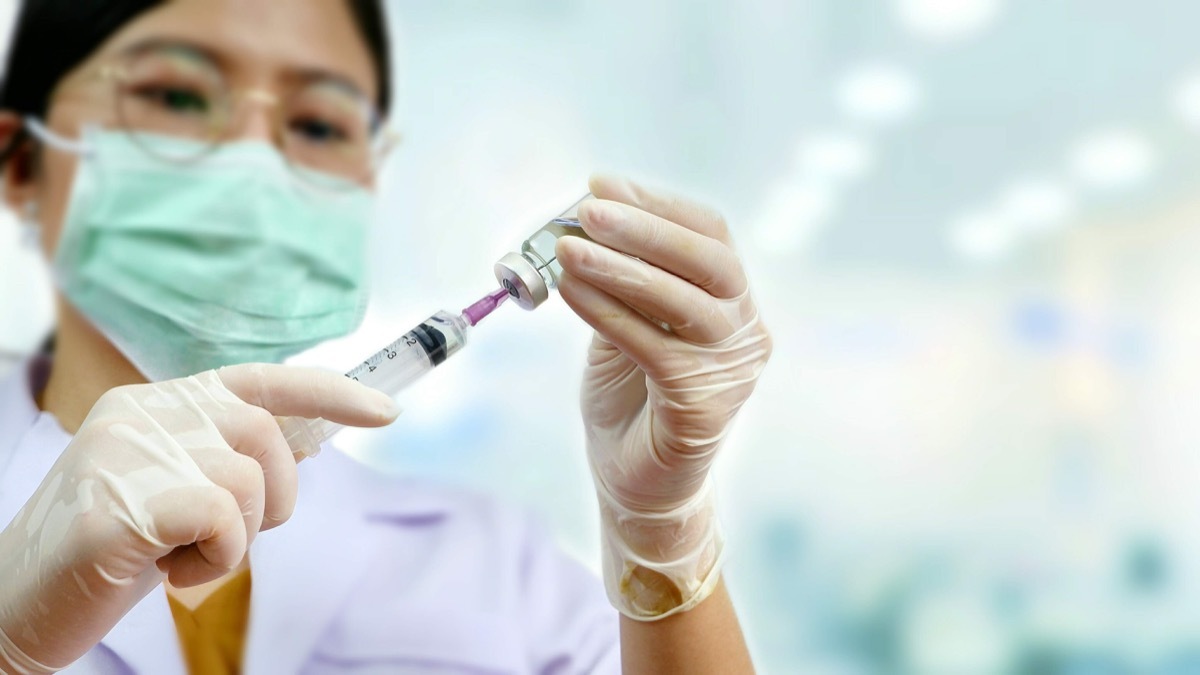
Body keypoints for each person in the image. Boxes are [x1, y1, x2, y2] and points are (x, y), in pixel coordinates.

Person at [0, 1, 772, 673]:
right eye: (174, 94)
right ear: (20, 159)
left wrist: (662, 540)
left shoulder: (495, 571)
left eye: (316, 123)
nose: (259, 166)